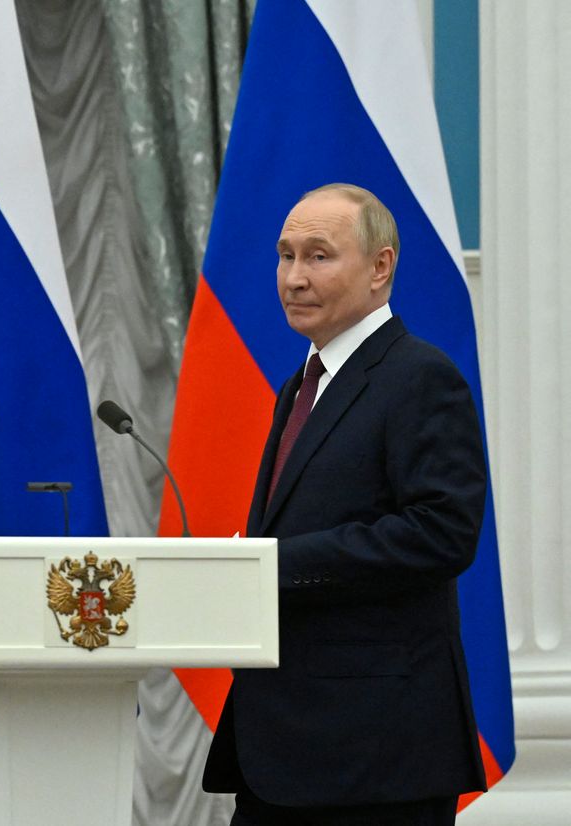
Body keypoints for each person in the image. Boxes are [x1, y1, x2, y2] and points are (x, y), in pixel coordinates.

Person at [202, 183, 488, 825]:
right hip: (283, 750)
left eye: (318, 256)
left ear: (380, 267)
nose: (294, 278)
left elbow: (441, 532)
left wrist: (272, 566)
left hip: (374, 757)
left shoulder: (419, 376)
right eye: (285, 256)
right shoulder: (301, 387)